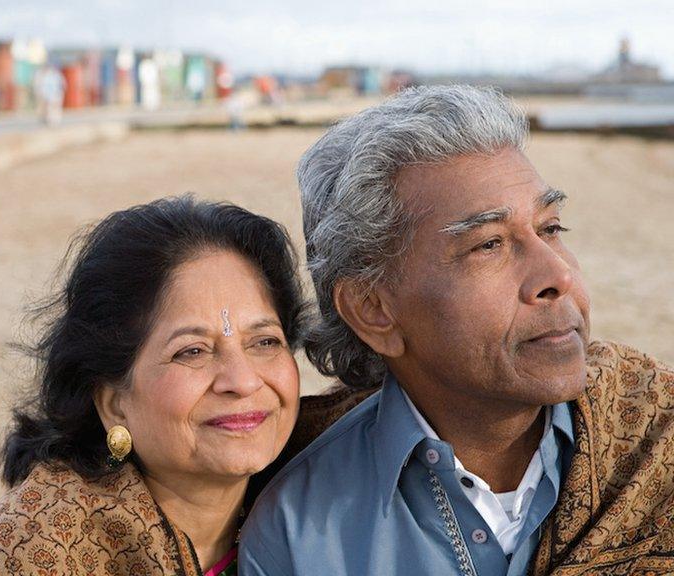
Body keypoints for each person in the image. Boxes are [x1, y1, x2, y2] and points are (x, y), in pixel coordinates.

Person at [241, 85, 674, 575]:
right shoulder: (298, 535)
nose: (559, 276)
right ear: (373, 309)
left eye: (550, 228)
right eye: (489, 244)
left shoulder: (657, 438)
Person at [0, 195, 307, 575]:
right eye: (192, 351)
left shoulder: (326, 485)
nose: (242, 381)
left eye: (265, 342)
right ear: (113, 404)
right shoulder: (38, 546)